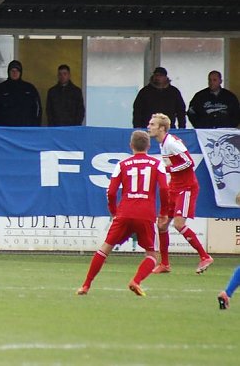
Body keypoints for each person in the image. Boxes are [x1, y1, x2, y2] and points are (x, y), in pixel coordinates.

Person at [77, 130, 169, 296]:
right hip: (146, 214)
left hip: (124, 212)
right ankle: (136, 281)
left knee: (105, 249)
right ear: (148, 145)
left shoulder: (122, 164)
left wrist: (114, 212)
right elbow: (164, 188)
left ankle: (86, 285)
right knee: (152, 254)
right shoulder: (157, 164)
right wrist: (163, 212)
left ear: (131, 146)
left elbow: (111, 192)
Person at [147, 113, 214, 274]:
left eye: (152, 124)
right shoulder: (163, 143)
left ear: (162, 128)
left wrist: (168, 169)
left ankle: (205, 256)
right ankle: (165, 264)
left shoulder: (171, 142)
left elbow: (189, 162)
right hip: (174, 186)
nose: (149, 127)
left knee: (178, 224)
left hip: (186, 187)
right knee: (162, 224)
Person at [0, 60, 42, 126]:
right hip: (5, 131)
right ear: (8, 72)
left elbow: (38, 109)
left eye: (17, 71)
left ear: (20, 72)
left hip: (26, 130)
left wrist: (35, 126)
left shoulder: (30, 89)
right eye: (12, 71)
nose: (14, 73)